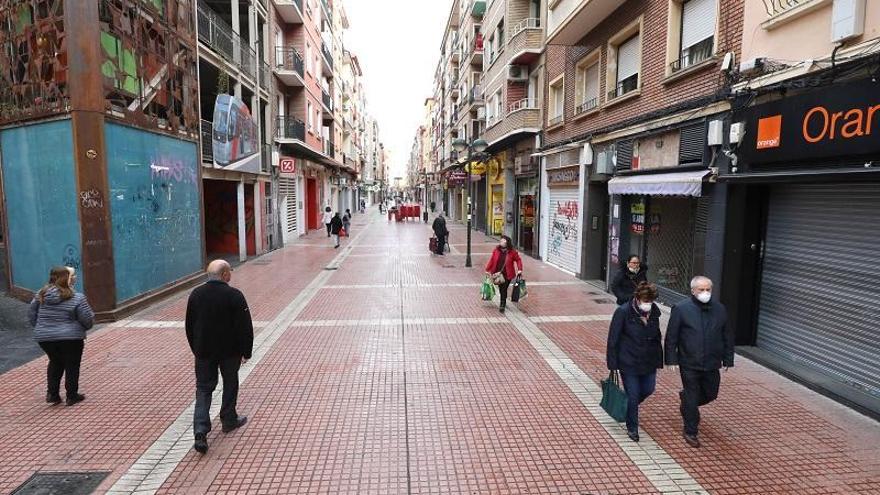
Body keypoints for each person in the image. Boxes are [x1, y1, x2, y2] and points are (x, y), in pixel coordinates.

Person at [185, 260, 254, 454]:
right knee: (230, 382)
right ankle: (228, 419)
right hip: (229, 352)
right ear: (224, 274)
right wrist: (246, 351)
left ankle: (200, 430)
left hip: (204, 352)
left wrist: (196, 348)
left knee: (203, 389)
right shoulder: (234, 296)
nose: (231, 275)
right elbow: (244, 327)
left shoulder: (196, 295)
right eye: (229, 272)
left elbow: (189, 325)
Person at [664, 276, 734, 448]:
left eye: (708, 289)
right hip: (689, 361)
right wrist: (671, 359)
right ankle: (691, 431)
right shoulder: (681, 309)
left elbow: (727, 335)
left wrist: (728, 358)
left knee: (711, 393)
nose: (705, 293)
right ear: (693, 291)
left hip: (712, 361)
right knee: (692, 393)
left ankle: (687, 401)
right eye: (701, 290)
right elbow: (671, 336)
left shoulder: (720, 309)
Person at [29, 266, 94, 406]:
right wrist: (81, 328)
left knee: (55, 361)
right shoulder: (77, 297)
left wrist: (42, 328)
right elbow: (87, 319)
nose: (75, 277)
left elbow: (31, 314)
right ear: (67, 279)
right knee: (72, 364)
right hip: (71, 338)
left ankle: (52, 394)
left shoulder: (40, 295)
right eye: (73, 275)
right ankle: (71, 396)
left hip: (45, 338)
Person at [606, 282, 663, 442]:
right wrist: (613, 364)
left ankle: (627, 407)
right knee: (633, 394)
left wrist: (659, 359)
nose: (648, 304)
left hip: (648, 361)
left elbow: (656, 337)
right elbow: (613, 339)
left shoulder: (654, 313)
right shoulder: (623, 312)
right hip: (628, 361)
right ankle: (632, 428)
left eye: (651, 301)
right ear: (637, 298)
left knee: (648, 389)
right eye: (645, 300)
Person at [484, 235, 523, 313]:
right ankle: (503, 301)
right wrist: (487, 269)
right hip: (498, 273)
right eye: (501, 240)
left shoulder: (512, 251)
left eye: (503, 241)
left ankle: (502, 304)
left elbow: (518, 260)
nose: (501, 242)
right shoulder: (496, 250)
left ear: (507, 242)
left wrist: (520, 269)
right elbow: (492, 260)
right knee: (501, 288)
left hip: (507, 274)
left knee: (504, 288)